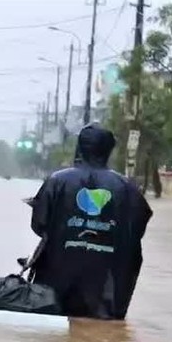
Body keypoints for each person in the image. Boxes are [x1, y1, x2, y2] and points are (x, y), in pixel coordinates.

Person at [28, 123, 152, 320]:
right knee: (104, 333)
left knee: (55, 331)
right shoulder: (127, 188)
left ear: (80, 147)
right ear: (109, 150)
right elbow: (137, 229)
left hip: (56, 286)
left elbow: (39, 225)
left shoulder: (57, 181)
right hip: (106, 292)